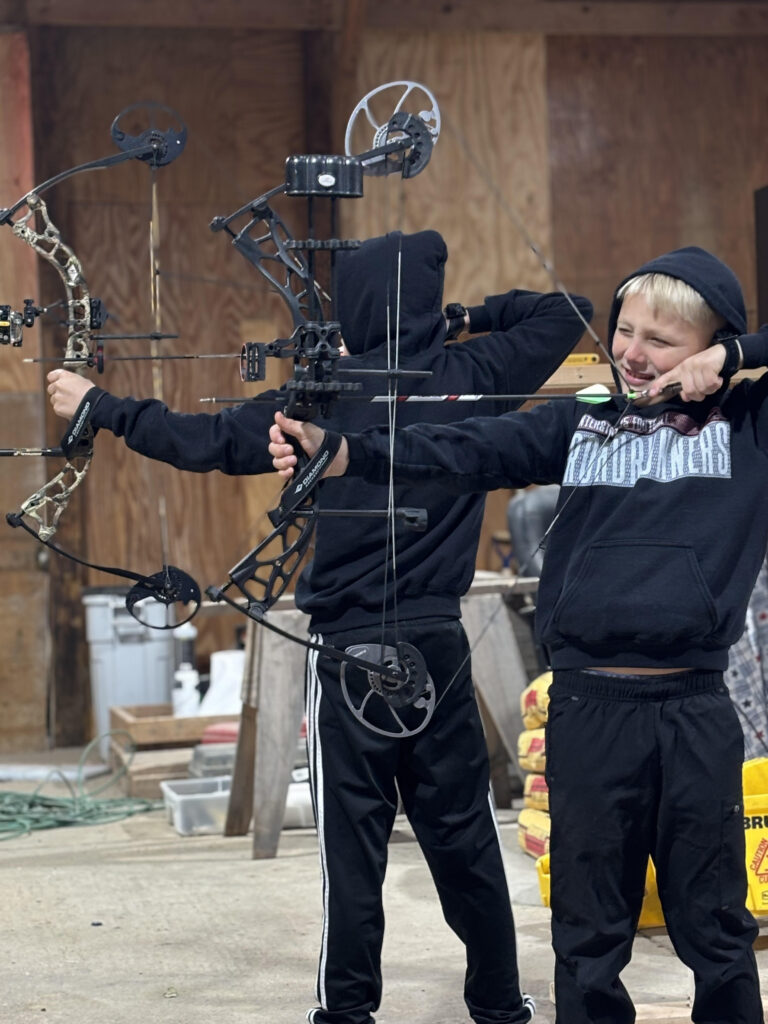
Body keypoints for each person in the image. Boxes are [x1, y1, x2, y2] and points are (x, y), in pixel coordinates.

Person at [47, 228, 593, 1024]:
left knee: (352, 848)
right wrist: (461, 320)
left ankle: (346, 1014)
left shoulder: (317, 397)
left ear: (356, 306)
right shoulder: (474, 374)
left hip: (345, 653)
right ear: (426, 301)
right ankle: (501, 1007)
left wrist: (102, 408)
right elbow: (567, 310)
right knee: (465, 836)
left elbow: (205, 440)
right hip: (436, 644)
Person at [269, 245, 768, 1024]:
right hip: (587, 712)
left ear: (711, 344)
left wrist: (736, 360)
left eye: (661, 341)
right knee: (588, 934)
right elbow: (468, 447)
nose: (632, 353)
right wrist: (348, 453)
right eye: (624, 330)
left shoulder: (751, 424)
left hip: (692, 711)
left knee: (716, 926)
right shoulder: (586, 419)